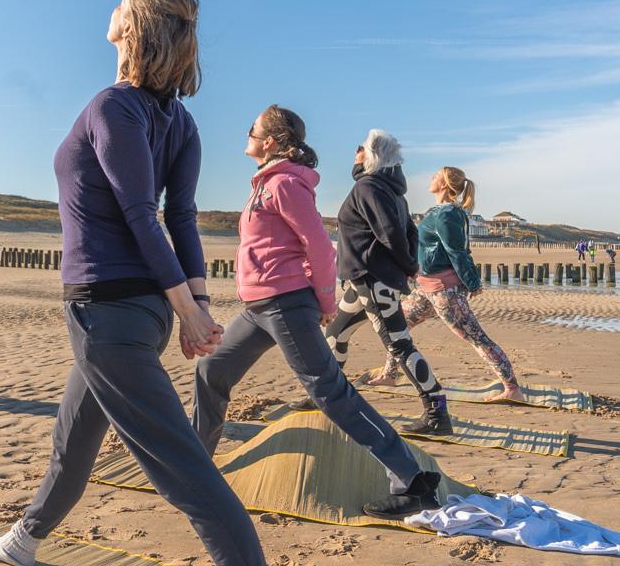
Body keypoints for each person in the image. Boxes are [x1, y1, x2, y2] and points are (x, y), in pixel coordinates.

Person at [0, 0, 298, 566]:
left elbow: (149, 215)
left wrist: (191, 310)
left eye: (122, 0)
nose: (109, 5)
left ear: (135, 24)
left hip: (110, 310)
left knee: (182, 466)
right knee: (75, 433)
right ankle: (26, 538)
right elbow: (178, 220)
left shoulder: (114, 106)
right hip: (133, 312)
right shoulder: (176, 120)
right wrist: (193, 302)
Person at [192, 105, 450, 522]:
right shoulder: (265, 182)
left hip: (286, 303)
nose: (248, 135)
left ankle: (411, 481)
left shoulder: (285, 185)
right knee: (212, 371)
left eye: (252, 130)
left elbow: (318, 245)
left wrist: (325, 302)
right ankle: (195, 464)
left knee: (330, 392)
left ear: (270, 141)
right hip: (258, 306)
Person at [322, 129, 452, 436]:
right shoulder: (388, 190)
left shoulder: (369, 188)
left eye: (361, 148)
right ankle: (326, 396)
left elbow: (392, 234)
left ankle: (436, 412)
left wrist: (408, 266)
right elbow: (411, 233)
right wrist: (409, 266)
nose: (356, 152)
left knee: (399, 344)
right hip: (363, 279)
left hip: (372, 278)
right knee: (336, 332)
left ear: (372, 156)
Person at [369, 165, 523, 404]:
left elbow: (457, 252)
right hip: (425, 288)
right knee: (397, 327)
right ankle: (389, 374)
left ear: (444, 184)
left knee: (477, 338)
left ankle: (512, 388)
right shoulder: (438, 211)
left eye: (436, 175)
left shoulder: (447, 214)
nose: (431, 177)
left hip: (445, 292)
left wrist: (472, 283)